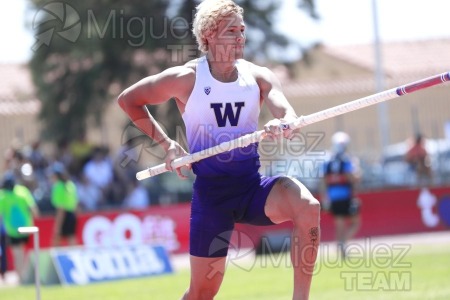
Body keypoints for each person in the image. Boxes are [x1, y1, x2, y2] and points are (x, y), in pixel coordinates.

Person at [117, 1, 320, 299]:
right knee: (202, 293)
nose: (240, 37)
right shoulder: (187, 78)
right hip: (213, 197)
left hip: (252, 189)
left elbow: (284, 109)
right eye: (231, 31)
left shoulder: (258, 76)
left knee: (308, 207)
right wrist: (168, 145)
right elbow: (129, 100)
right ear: (210, 35)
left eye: (242, 30)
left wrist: (286, 122)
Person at [320, 131, 361, 259]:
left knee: (340, 224)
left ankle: (340, 246)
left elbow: (323, 180)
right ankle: (343, 243)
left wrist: (325, 197)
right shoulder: (347, 159)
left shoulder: (328, 160)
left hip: (333, 196)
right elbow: (352, 177)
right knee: (355, 222)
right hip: (346, 195)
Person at [0, 172, 39, 280]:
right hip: (26, 227)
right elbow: (33, 209)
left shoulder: (3, 195)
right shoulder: (22, 191)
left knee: (17, 253)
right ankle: (25, 275)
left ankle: (21, 277)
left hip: (12, 230)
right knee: (25, 251)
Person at [50, 162, 79, 246]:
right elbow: (76, 204)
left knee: (56, 239)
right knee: (72, 238)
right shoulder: (71, 185)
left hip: (63, 215)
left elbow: (61, 208)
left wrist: (57, 226)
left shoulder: (58, 187)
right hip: (72, 215)